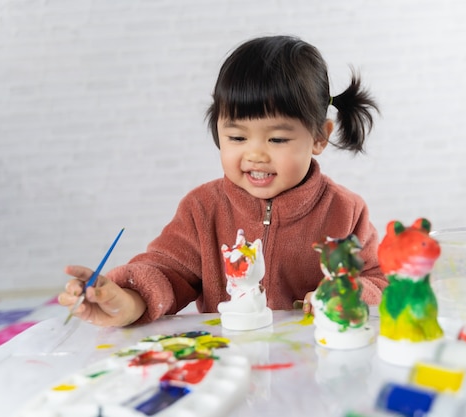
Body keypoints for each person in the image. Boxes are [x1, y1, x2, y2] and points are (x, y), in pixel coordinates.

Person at [58, 35, 388, 327]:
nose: (255, 154)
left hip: (314, 362)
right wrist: (125, 303)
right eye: (237, 137)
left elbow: (378, 279)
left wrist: (348, 294)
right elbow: (164, 272)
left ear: (319, 137)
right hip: (231, 360)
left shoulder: (346, 211)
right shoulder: (202, 209)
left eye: (276, 140)